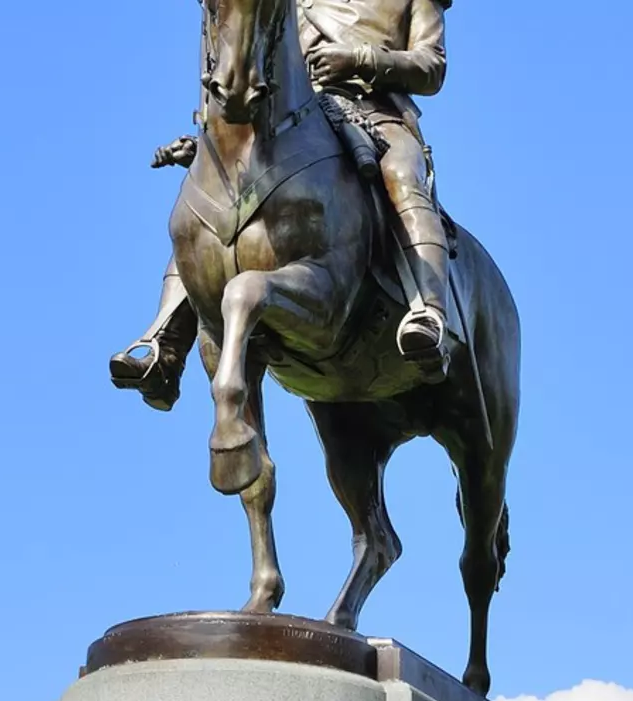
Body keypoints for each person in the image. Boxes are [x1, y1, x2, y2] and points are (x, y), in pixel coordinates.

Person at [112, 0, 457, 408]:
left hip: (376, 115)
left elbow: (430, 66)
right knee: (214, 196)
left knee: (401, 174)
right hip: (289, 117)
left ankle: (429, 312)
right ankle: (165, 340)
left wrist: (359, 59)